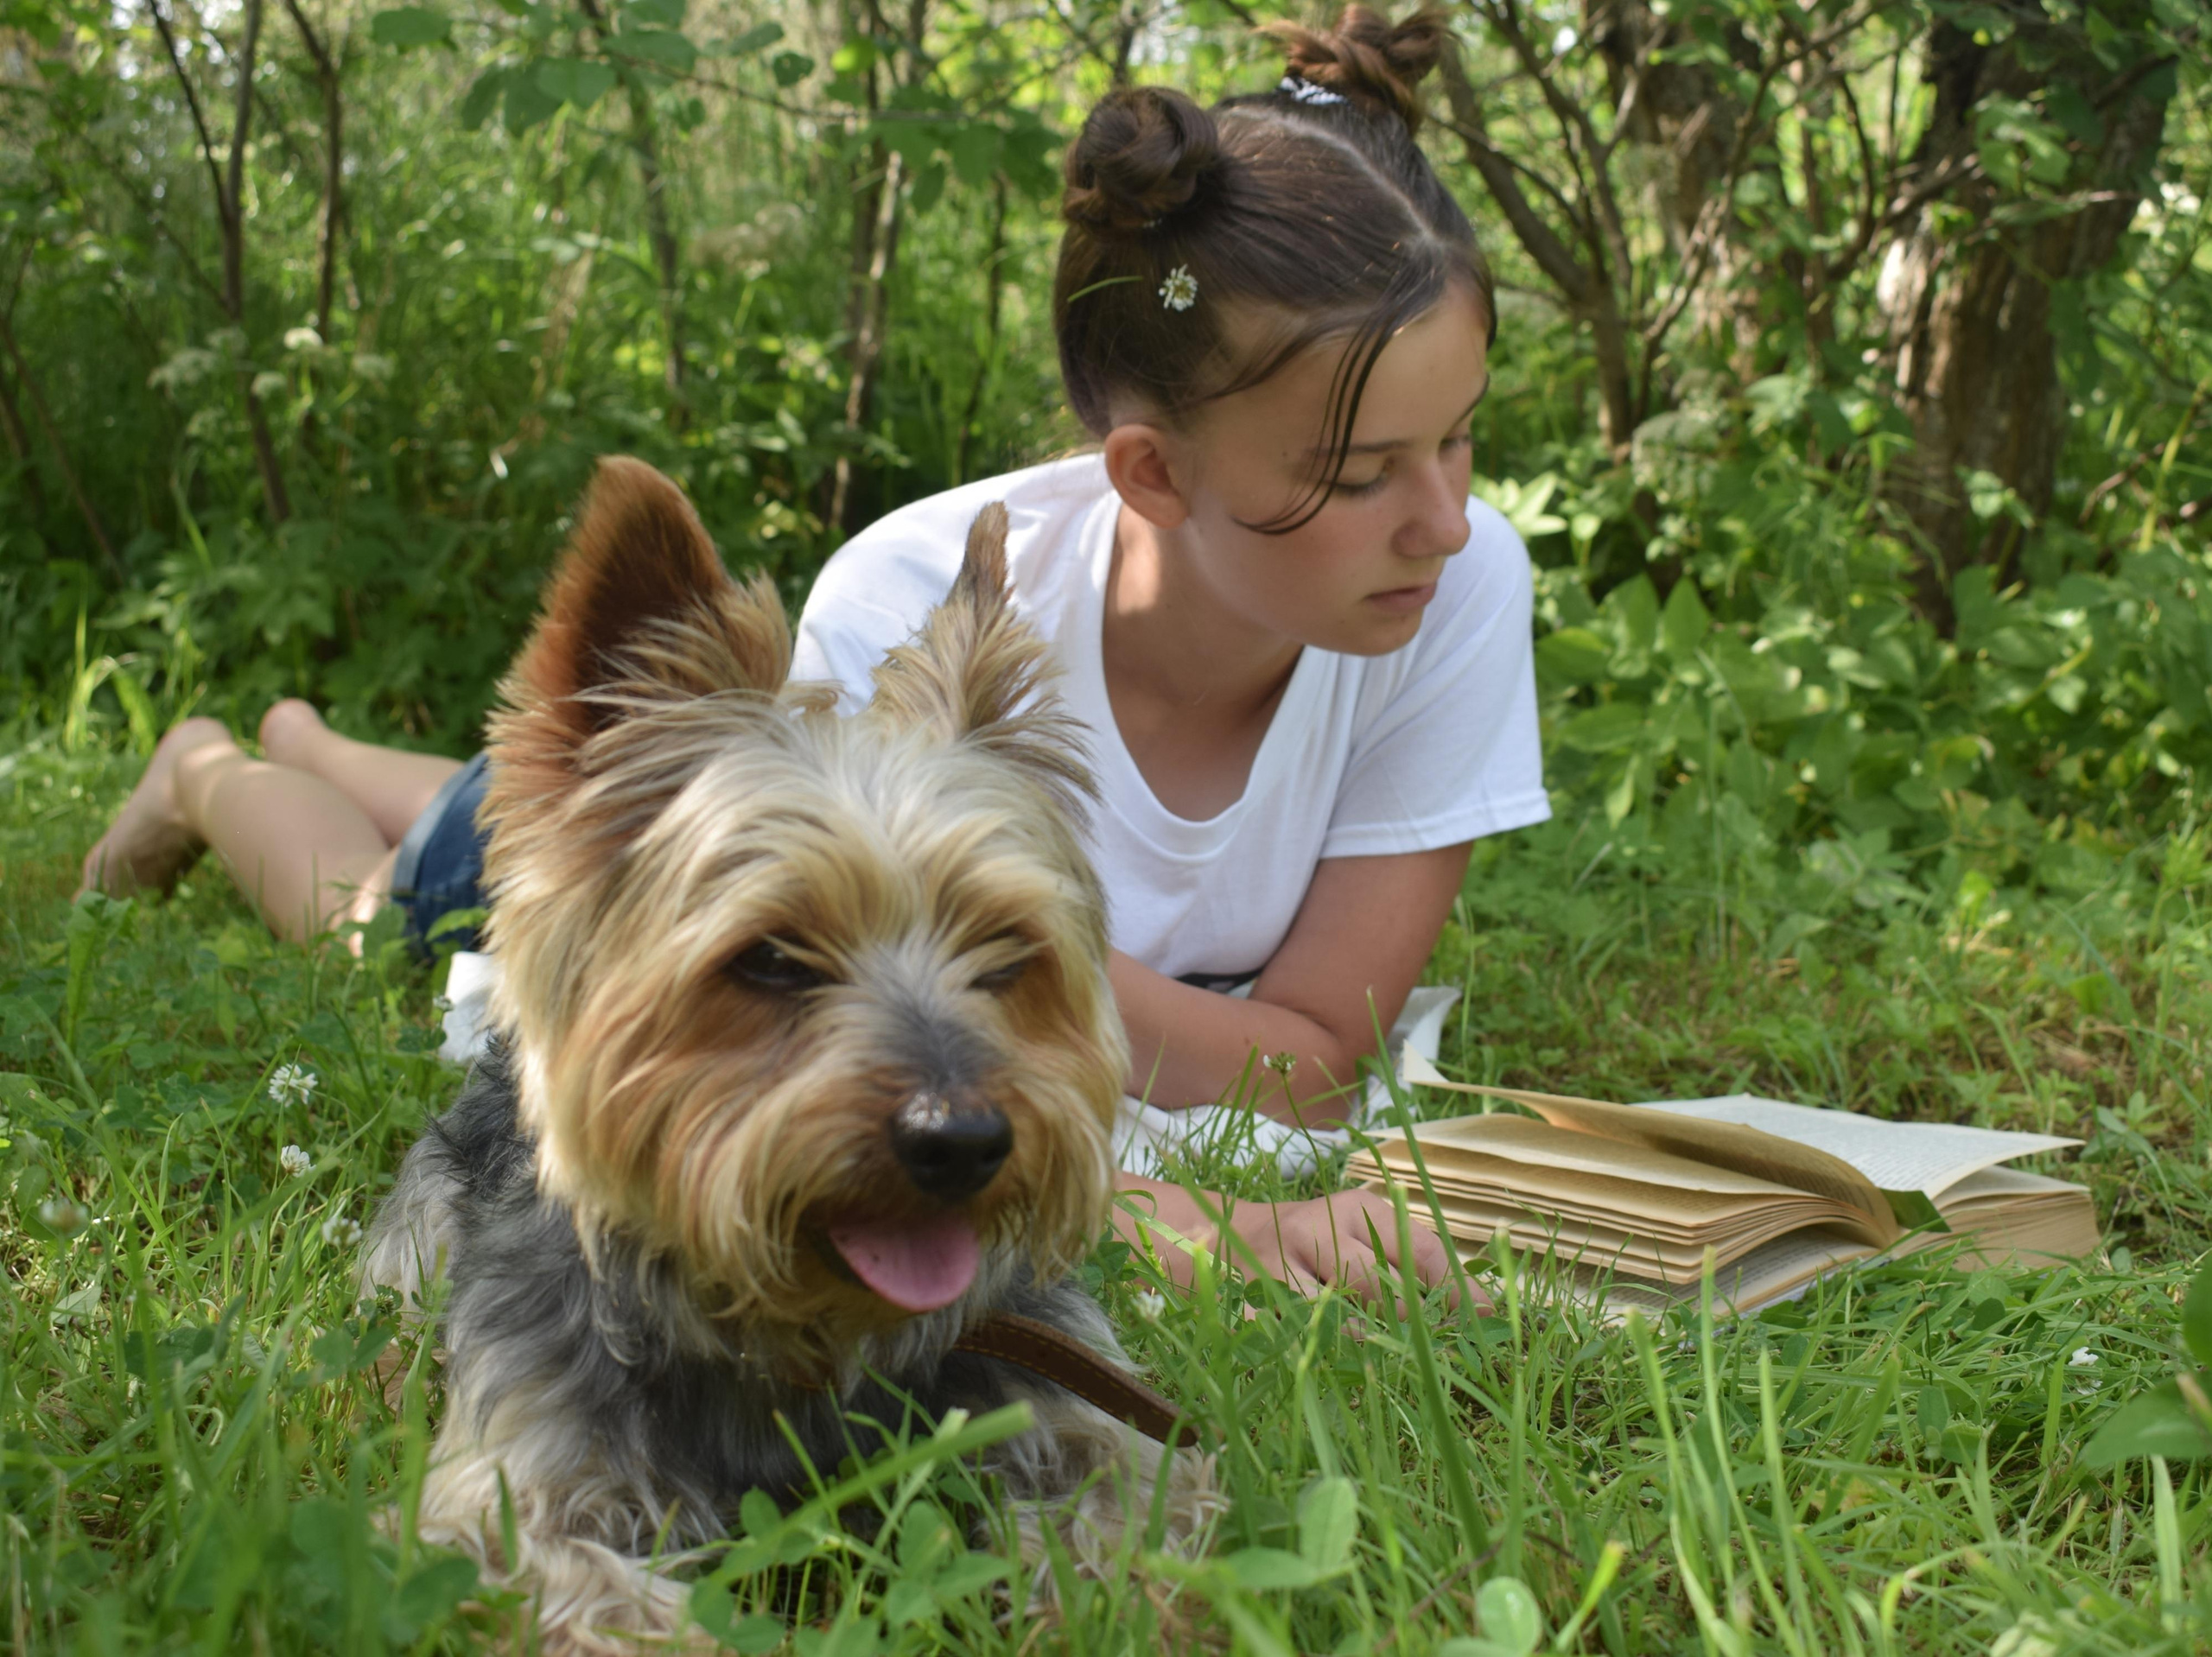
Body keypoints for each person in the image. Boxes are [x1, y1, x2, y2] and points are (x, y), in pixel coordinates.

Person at [79, 5, 1544, 1308]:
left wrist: (1039, 986)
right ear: (1150, 472)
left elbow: (1302, 1065)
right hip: (660, 861)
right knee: (383, 900)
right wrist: (1043, 1007)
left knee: (449, 789)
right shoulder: (910, 596)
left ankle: (320, 738)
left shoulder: (1456, 581)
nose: (1442, 517)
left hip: (745, 866)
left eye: (1463, 434)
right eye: (1361, 474)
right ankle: (211, 767)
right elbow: (789, 961)